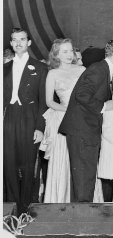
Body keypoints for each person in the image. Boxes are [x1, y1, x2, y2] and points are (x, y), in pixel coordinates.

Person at [58, 38, 113, 202]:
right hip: (83, 130)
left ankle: (80, 219)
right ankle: (83, 221)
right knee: (84, 178)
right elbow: (82, 95)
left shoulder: (105, 69)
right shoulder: (99, 69)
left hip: (84, 130)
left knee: (84, 179)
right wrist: (104, 106)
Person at [3, 27, 48, 213]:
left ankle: (27, 209)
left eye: (22, 39)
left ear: (29, 42)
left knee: (29, 166)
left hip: (30, 118)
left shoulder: (40, 67)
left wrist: (40, 127)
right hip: (9, 118)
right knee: (9, 164)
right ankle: (11, 210)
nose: (18, 43)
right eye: (14, 40)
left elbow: (43, 102)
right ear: (11, 43)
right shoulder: (4, 68)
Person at [40, 38, 85, 203]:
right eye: (64, 51)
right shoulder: (52, 73)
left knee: (81, 161)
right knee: (63, 161)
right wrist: (69, 109)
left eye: (70, 51)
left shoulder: (82, 70)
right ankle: (60, 202)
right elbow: (49, 102)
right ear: (56, 54)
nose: (68, 54)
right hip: (63, 120)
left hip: (82, 120)